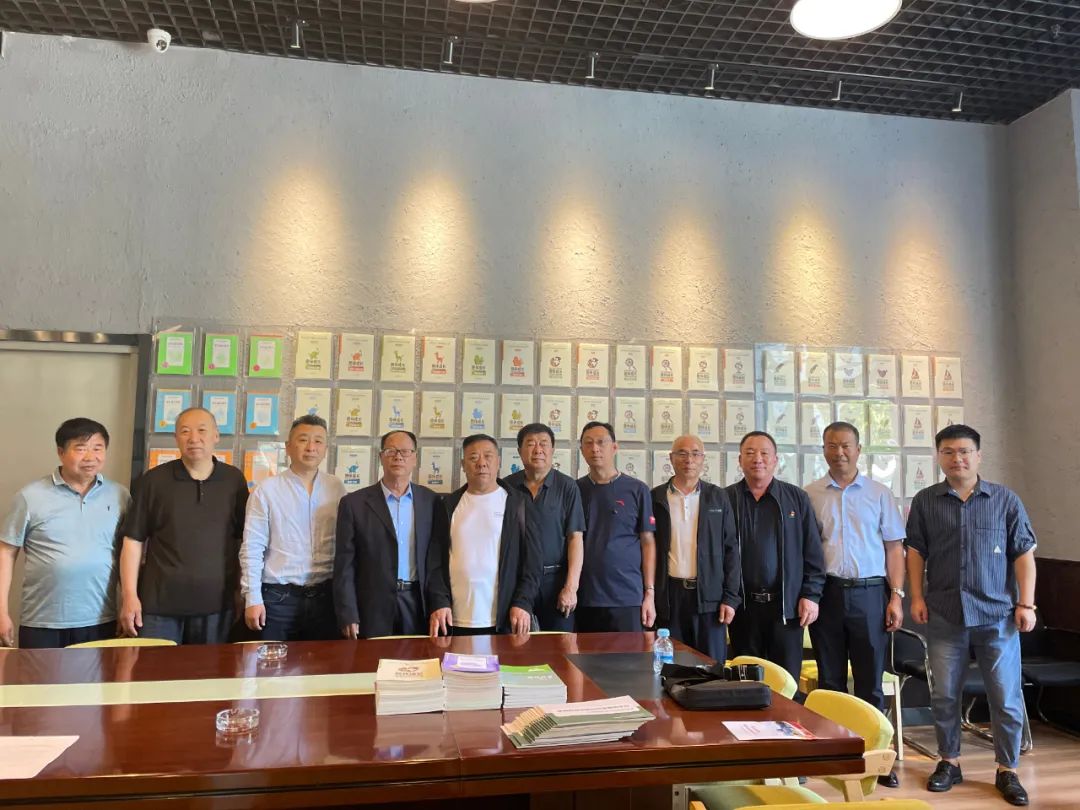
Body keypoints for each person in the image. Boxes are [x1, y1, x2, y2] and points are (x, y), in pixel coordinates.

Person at [906, 424, 1036, 807]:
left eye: (964, 451)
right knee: (944, 694)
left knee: (1005, 696)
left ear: (978, 456)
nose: (957, 459)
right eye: (948, 452)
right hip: (945, 614)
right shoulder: (926, 501)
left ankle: (1007, 769)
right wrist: (916, 596)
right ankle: (949, 762)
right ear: (939, 457)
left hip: (998, 616)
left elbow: (1023, 554)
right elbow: (915, 552)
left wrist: (1026, 604)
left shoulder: (1005, 500)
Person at [805, 421, 906, 788]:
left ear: (859, 449)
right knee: (830, 680)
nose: (839, 452)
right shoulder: (810, 494)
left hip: (870, 593)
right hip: (827, 594)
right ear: (823, 450)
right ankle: (836, 756)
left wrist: (896, 596)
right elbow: (807, 550)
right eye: (832, 445)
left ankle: (876, 759)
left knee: (870, 681)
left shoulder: (879, 493)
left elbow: (894, 548)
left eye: (846, 445)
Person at [118, 407, 248, 644]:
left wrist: (240, 591)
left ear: (216, 436)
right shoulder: (154, 480)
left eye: (202, 430)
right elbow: (133, 540)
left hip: (217, 607)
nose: (194, 438)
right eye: (185, 431)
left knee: (210, 669)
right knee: (154, 667)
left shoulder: (233, 480)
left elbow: (243, 541)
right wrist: (129, 596)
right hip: (159, 608)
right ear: (176, 438)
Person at [0, 418, 129, 648]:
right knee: (38, 674)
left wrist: (127, 602)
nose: (90, 457)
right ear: (61, 452)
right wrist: (1, 611)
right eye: (80, 448)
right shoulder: (30, 496)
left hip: (100, 619)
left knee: (99, 674)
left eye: (97, 448)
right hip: (42, 622)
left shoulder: (120, 496)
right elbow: (6, 553)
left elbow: (127, 554)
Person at [724, 430, 825, 680]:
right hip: (743, 609)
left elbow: (813, 551)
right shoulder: (725, 499)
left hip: (786, 608)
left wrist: (811, 594)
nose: (757, 459)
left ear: (775, 460)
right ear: (740, 460)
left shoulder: (796, 498)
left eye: (764, 453)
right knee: (746, 684)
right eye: (750, 453)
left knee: (786, 683)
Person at [240, 415, 346, 641]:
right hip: (278, 599)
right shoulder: (266, 490)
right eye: (303, 440)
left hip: (326, 597)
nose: (311, 447)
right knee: (271, 662)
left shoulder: (336, 487)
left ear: (325, 449)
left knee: (325, 662)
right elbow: (252, 547)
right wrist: (252, 598)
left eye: (318, 441)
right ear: (288, 447)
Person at [427, 434, 539, 637]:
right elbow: (434, 562)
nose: (481, 463)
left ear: (498, 461)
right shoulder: (448, 505)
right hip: (454, 619)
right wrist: (439, 601)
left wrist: (523, 602)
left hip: (505, 618)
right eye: (473, 458)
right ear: (463, 465)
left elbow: (532, 563)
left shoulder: (519, 504)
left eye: (488, 456)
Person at [334, 430, 438, 638]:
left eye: (405, 451)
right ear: (381, 457)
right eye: (391, 451)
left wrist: (439, 603)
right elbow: (345, 565)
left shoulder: (431, 501)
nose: (398, 457)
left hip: (416, 601)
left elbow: (436, 561)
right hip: (371, 604)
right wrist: (348, 613)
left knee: (415, 656)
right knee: (372, 657)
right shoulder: (354, 504)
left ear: (415, 458)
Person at [651, 434, 740, 661]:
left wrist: (730, 598)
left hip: (710, 598)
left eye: (695, 453)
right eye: (681, 453)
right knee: (671, 665)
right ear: (671, 458)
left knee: (711, 667)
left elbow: (731, 549)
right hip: (669, 598)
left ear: (703, 459)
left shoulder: (718, 497)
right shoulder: (655, 498)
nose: (688, 459)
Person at [575, 421, 657, 633]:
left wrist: (649, 593)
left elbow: (648, 542)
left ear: (614, 447)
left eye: (601, 442)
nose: (595, 448)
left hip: (627, 596)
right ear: (581, 449)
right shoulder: (574, 490)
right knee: (584, 654)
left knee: (629, 655)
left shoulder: (637, 489)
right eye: (588, 443)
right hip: (585, 597)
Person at [504, 423, 585, 632]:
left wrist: (571, 587)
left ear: (552, 450)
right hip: (516, 582)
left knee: (560, 644)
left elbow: (575, 538)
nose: (538, 449)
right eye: (530, 444)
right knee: (514, 643)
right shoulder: (506, 487)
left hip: (555, 581)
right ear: (520, 451)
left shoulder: (568, 486)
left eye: (544, 444)